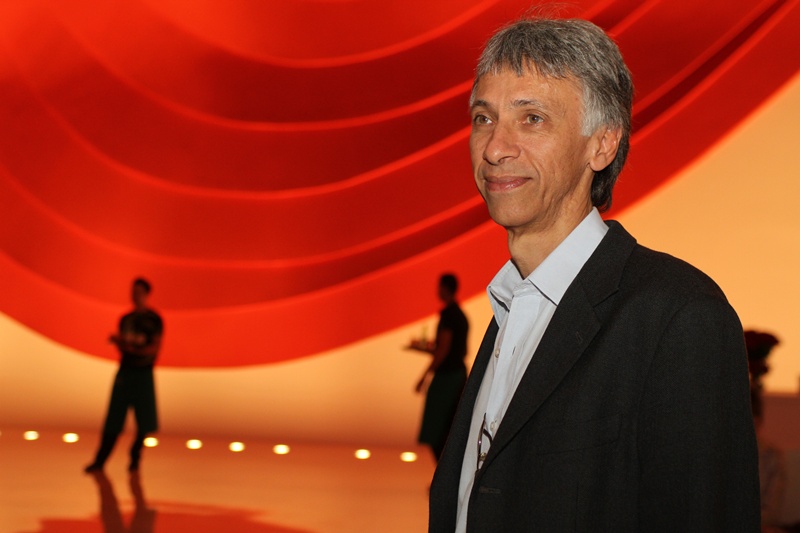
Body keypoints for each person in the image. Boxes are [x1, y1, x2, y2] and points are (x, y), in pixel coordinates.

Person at [428, 14, 760, 532]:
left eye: (532, 118)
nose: (494, 147)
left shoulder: (679, 316)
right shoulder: (511, 308)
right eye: (483, 118)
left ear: (602, 144)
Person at [85, 277, 163, 473]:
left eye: (139, 292)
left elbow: (153, 348)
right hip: (125, 371)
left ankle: (135, 458)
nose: (135, 295)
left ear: (146, 294)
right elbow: (123, 347)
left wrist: (129, 347)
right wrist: (121, 343)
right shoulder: (126, 319)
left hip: (143, 372)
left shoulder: (154, 320)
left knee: (144, 420)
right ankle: (100, 460)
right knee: (114, 417)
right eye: (133, 291)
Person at [407, 273, 470, 461]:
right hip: (457, 374)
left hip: (448, 377)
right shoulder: (460, 315)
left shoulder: (449, 315)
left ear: (444, 288)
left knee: (437, 429)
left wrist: (424, 376)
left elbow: (443, 349)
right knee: (448, 426)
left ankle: (443, 471)